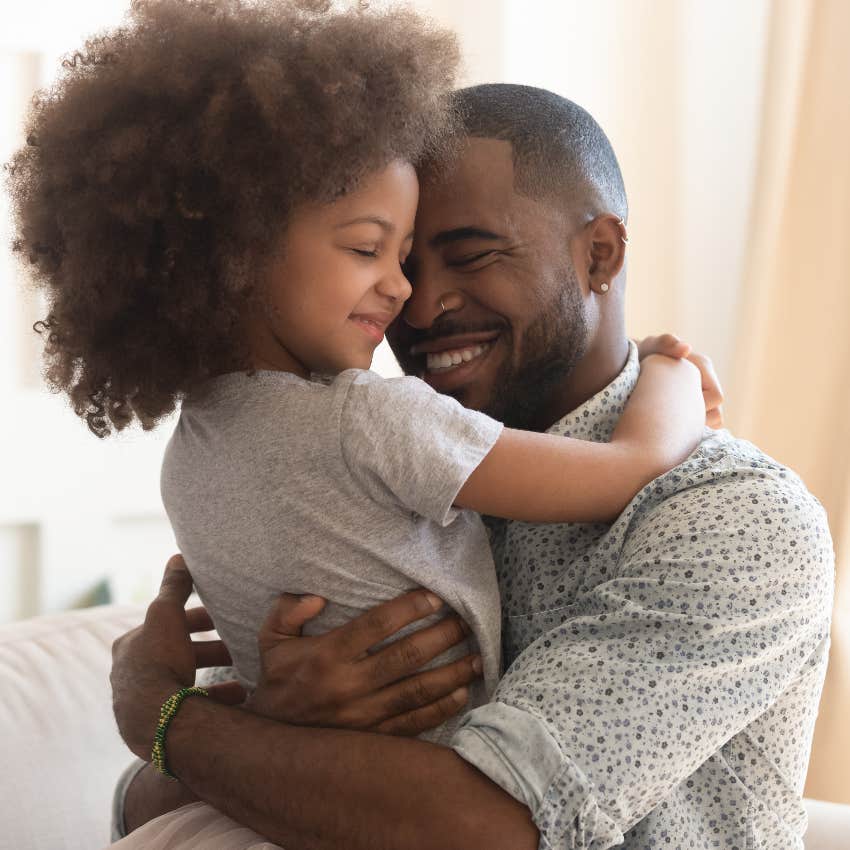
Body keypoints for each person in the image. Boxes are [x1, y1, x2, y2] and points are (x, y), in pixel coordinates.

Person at [8, 1, 712, 846]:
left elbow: (171, 785)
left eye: (458, 252)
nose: (410, 293)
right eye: (370, 249)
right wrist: (672, 370)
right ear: (238, 252)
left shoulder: (191, 454)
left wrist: (187, 717)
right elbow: (635, 465)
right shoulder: (372, 422)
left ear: (601, 252)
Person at [107, 81, 834, 850]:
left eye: (472, 257)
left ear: (601, 254)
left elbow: (488, 830)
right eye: (386, 258)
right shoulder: (360, 460)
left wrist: (163, 719)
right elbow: (146, 808)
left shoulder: (733, 518)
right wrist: (254, 724)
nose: (414, 309)